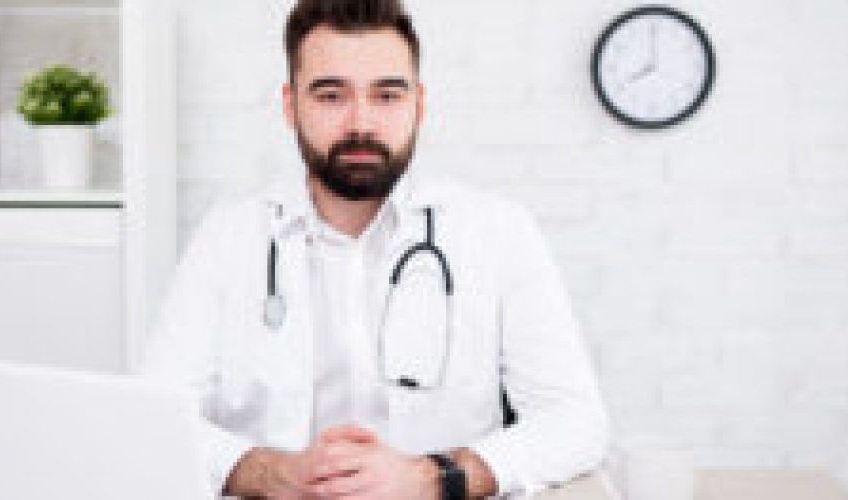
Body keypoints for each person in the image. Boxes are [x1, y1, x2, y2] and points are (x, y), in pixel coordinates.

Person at [138, 0, 609, 498]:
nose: (361, 122)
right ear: (289, 105)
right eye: (330, 96)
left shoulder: (497, 232)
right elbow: (152, 420)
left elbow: (577, 421)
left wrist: (431, 477)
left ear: (418, 105)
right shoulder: (228, 237)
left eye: (386, 96)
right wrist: (271, 473)